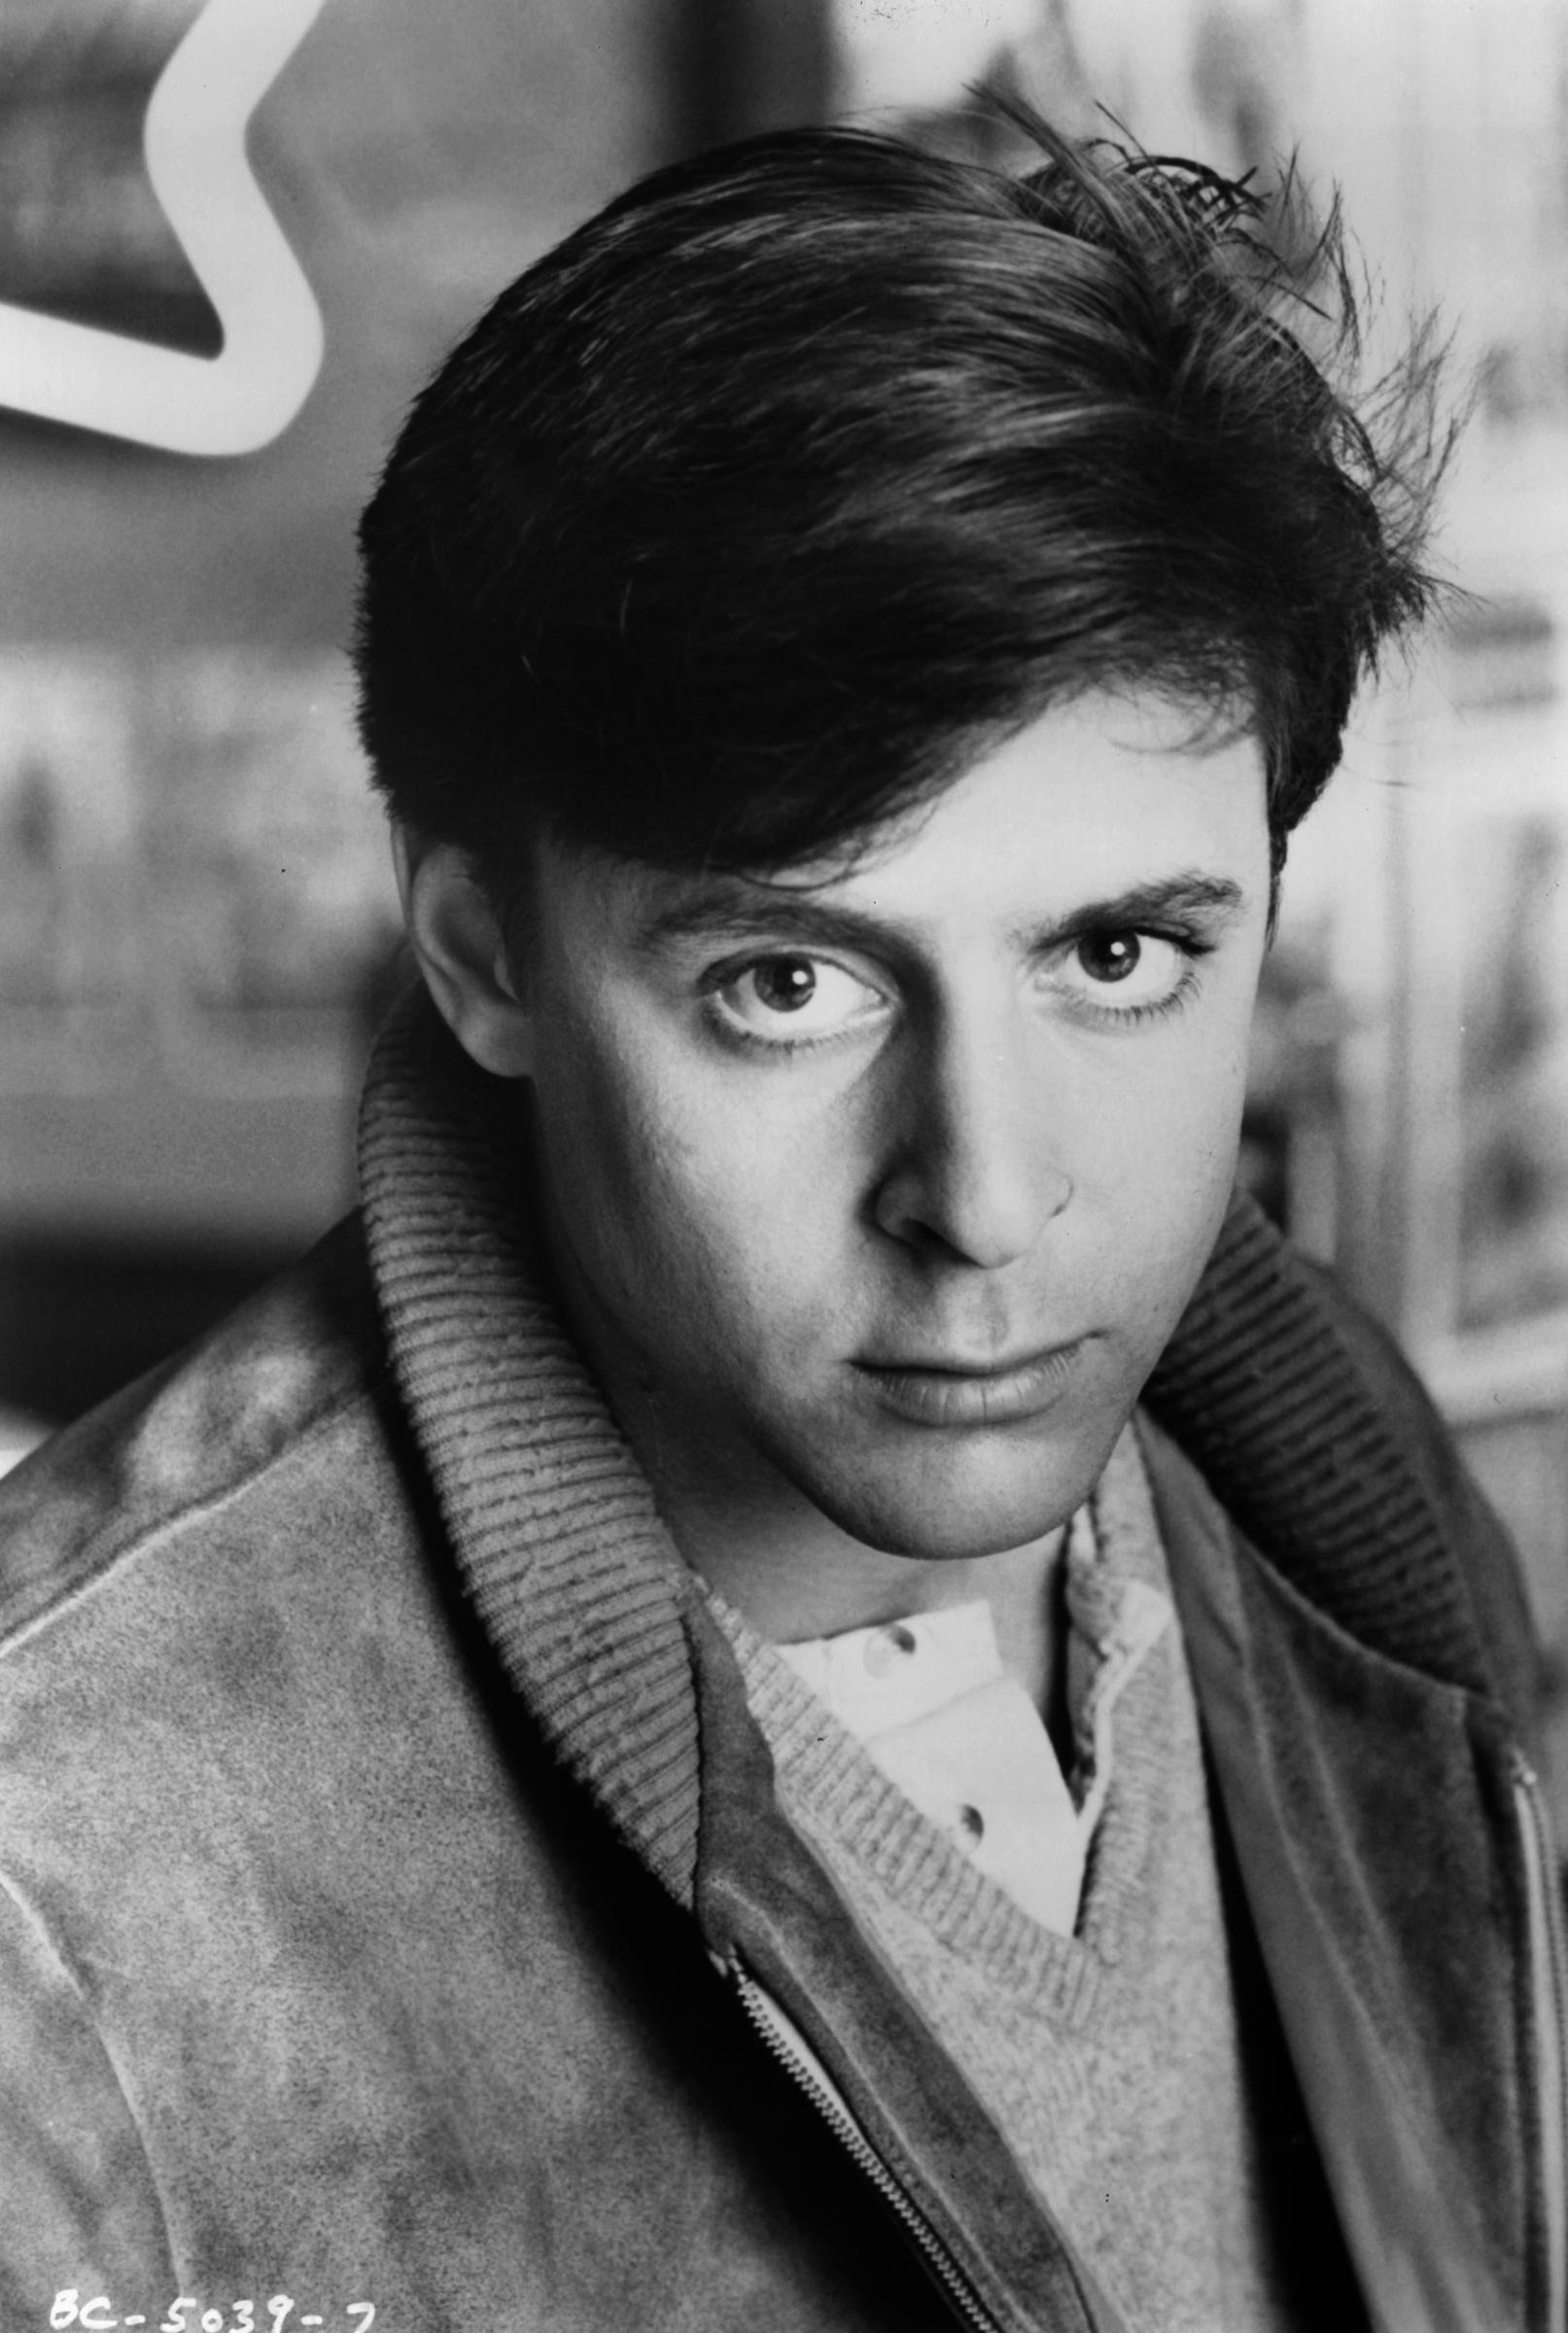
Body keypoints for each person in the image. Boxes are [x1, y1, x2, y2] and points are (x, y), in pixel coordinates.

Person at [1, 110, 1558, 2333]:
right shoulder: (65, 1891)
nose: (986, 1197)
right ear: (485, 955)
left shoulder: (1344, 1518)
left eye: (1118, 955)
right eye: (790, 985)